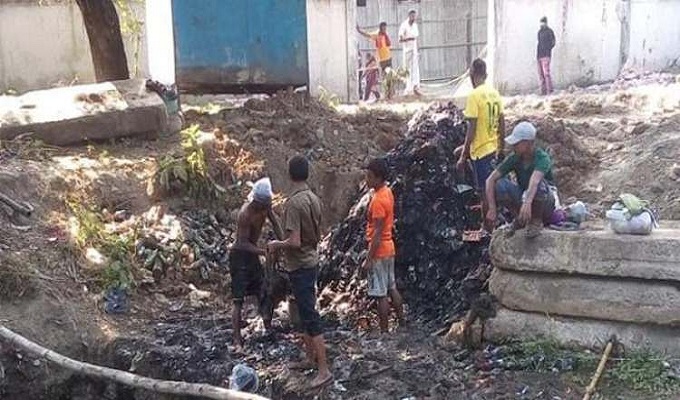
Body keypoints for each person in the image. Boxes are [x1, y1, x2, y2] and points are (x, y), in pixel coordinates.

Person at [267, 155, 332, 390]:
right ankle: (309, 358)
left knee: (310, 315)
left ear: (289, 174)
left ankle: (323, 370)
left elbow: (294, 241)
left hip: (301, 264)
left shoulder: (294, 203)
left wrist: (276, 244)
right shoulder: (313, 198)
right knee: (305, 314)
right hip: (311, 260)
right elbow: (318, 232)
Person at [230, 177, 281, 348]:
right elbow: (241, 243)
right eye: (263, 205)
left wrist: (283, 243)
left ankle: (268, 327)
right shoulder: (245, 214)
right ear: (256, 201)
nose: (265, 208)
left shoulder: (265, 207)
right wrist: (263, 252)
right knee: (238, 299)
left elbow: (275, 223)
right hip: (239, 256)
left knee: (263, 290)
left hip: (252, 256)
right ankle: (237, 339)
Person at [485, 122, 556, 238]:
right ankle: (520, 218)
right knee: (499, 184)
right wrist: (492, 208)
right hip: (525, 199)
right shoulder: (515, 158)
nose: (514, 146)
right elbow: (490, 180)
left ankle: (536, 221)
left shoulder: (542, 158)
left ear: (528, 143)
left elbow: (535, 181)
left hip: (545, 203)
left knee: (539, 185)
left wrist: (527, 202)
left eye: (517, 143)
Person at [456, 58, 505, 227]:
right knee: (492, 189)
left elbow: (472, 128)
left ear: (471, 74)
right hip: (492, 148)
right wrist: (501, 148)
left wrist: (463, 156)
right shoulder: (495, 93)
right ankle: (493, 224)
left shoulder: (474, 96)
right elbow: (502, 122)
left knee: (485, 193)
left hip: (481, 152)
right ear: (486, 74)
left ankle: (488, 230)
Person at [361, 158, 405, 333]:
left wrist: (368, 259)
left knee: (381, 295)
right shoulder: (387, 191)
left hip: (379, 252)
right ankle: (402, 321)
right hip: (389, 248)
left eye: (370, 177)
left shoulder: (378, 200)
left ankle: (384, 331)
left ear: (378, 178)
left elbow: (377, 234)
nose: (367, 180)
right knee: (392, 287)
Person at [399, 9, 421, 96]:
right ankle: (408, 89)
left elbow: (416, 39)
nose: (413, 17)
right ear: (409, 16)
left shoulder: (415, 25)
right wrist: (408, 39)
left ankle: (416, 87)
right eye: (412, 16)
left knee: (415, 69)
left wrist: (418, 49)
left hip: (414, 50)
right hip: (407, 50)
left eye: (414, 16)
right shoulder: (404, 25)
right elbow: (400, 39)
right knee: (407, 69)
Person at [537, 16, 556, 95]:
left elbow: (553, 42)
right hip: (539, 55)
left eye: (543, 22)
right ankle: (543, 91)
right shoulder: (539, 32)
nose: (542, 24)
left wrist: (548, 49)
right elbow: (539, 42)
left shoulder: (550, 31)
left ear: (546, 23)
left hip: (546, 55)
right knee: (541, 74)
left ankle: (549, 90)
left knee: (546, 74)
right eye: (541, 22)